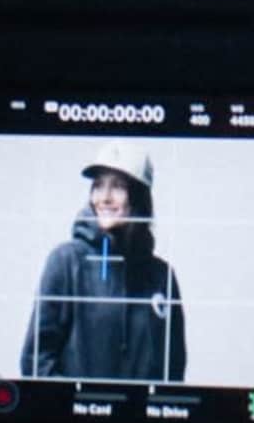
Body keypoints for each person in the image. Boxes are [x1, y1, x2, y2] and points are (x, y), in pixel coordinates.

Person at [21, 162, 187, 388]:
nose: (105, 198)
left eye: (118, 186)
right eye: (98, 186)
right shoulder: (66, 261)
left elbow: (173, 371)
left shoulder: (162, 276)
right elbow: (36, 363)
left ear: (139, 197)